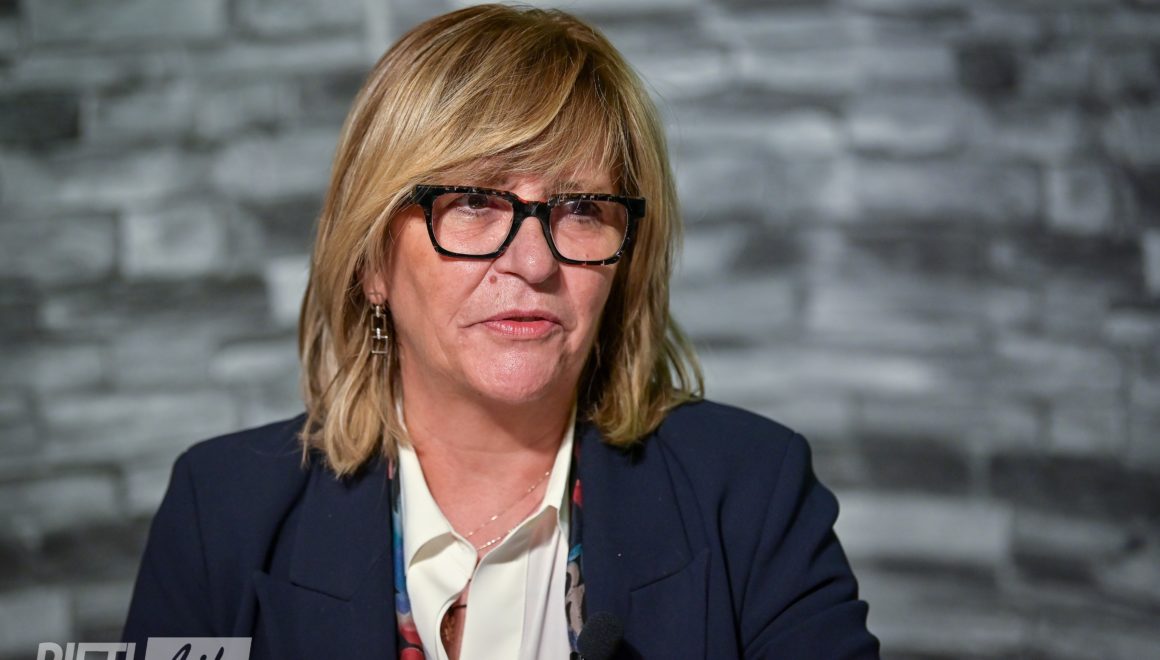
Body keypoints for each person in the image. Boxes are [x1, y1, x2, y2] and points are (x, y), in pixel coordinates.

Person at [121, 4, 880, 659]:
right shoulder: (220, 511)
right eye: (474, 203)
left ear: (624, 263)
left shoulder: (752, 493)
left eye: (581, 210)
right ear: (372, 262)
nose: (533, 262)